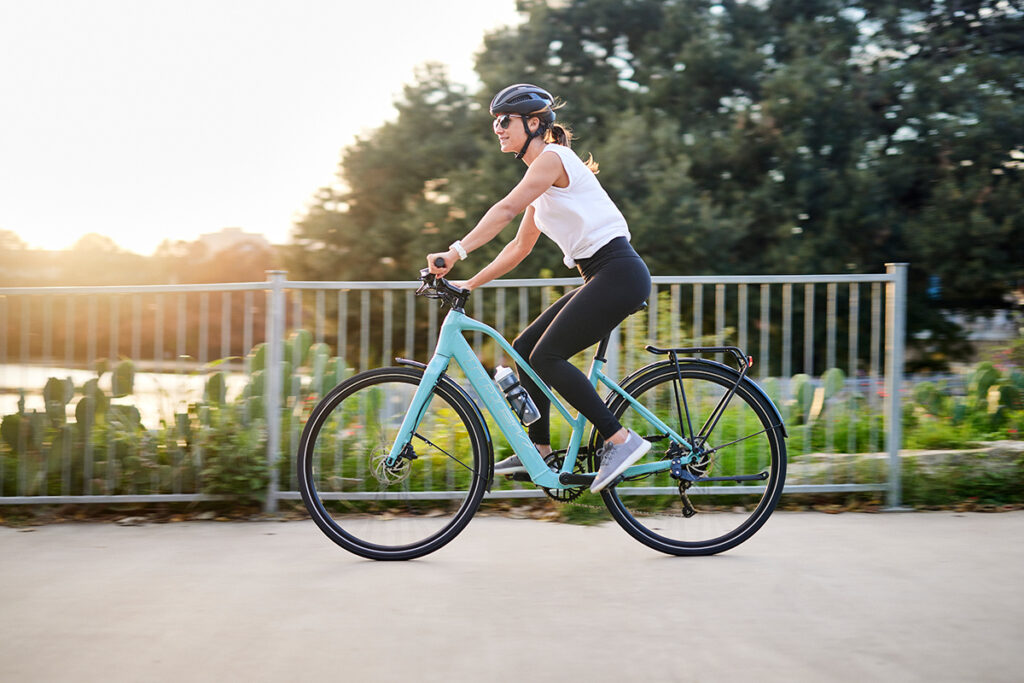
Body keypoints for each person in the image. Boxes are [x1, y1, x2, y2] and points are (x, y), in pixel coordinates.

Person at [426, 83, 652, 493]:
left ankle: (620, 440)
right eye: (494, 121)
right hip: (601, 274)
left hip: (618, 272)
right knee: (525, 348)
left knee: (548, 356)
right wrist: (470, 282)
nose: (497, 128)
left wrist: (457, 251)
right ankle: (541, 450)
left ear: (533, 123)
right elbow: (518, 247)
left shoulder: (552, 159)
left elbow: (506, 208)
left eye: (503, 120)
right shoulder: (542, 180)